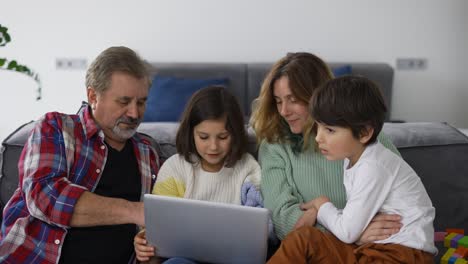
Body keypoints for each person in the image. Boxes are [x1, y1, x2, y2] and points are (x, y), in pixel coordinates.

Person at [0, 46, 159, 263]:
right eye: (123, 101)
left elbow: (156, 231)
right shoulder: (55, 127)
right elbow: (44, 197)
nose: (134, 113)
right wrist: (134, 211)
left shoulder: (147, 151)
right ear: (93, 95)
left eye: (141, 102)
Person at [267, 75, 436, 263]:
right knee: (303, 239)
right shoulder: (353, 159)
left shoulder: (374, 167)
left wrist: (321, 205)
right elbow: (350, 226)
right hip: (369, 248)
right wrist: (323, 212)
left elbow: (347, 231)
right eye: (318, 127)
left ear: (364, 133)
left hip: (401, 254)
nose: (318, 138)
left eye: (329, 130)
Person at [249, 52, 402, 243]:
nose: (284, 111)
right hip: (320, 251)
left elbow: (400, 203)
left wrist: (320, 213)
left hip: (378, 248)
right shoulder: (274, 144)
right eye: (278, 101)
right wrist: (353, 235)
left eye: (293, 100)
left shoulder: (364, 135)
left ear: (317, 95)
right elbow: (284, 221)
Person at [134, 86, 264, 263]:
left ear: (235, 135)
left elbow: (257, 229)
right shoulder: (176, 168)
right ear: (191, 133)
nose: (213, 147)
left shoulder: (248, 168)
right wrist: (144, 240)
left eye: (223, 137)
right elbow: (158, 226)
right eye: (203, 137)